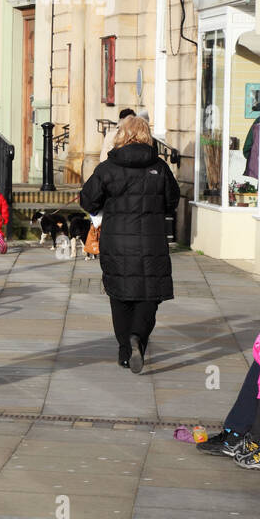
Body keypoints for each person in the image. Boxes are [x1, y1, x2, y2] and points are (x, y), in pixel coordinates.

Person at [80, 114, 180, 373]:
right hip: (152, 242)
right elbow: (172, 202)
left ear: (121, 135)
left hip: (117, 242)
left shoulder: (108, 168)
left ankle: (125, 351)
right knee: (150, 295)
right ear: (147, 135)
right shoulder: (159, 167)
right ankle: (138, 336)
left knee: (120, 296)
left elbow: (89, 200)